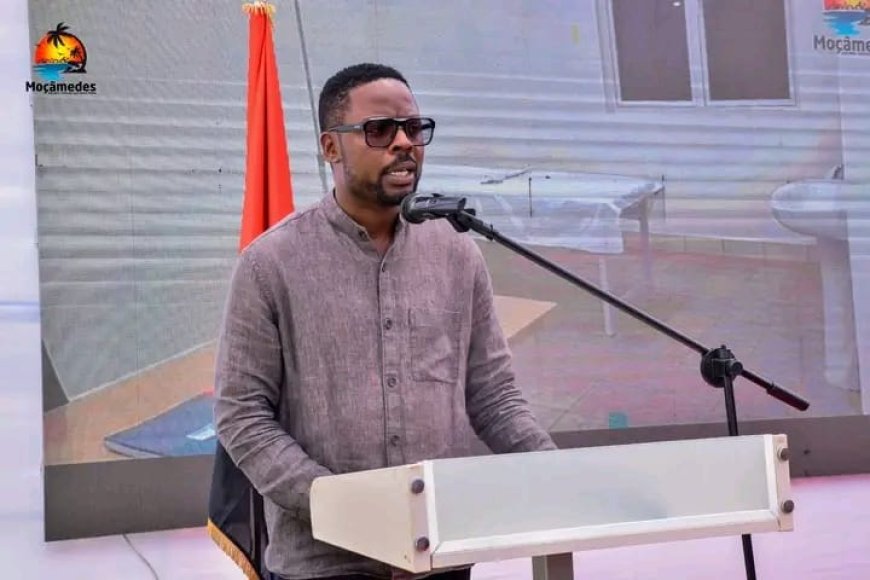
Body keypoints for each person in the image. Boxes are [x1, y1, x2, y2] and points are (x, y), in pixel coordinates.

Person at [214, 62, 557, 580]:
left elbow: (493, 396)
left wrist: (560, 473)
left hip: (440, 553)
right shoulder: (270, 264)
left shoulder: (456, 253)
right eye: (379, 130)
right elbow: (242, 415)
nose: (404, 143)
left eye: (414, 128)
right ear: (330, 147)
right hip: (325, 562)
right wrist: (346, 509)